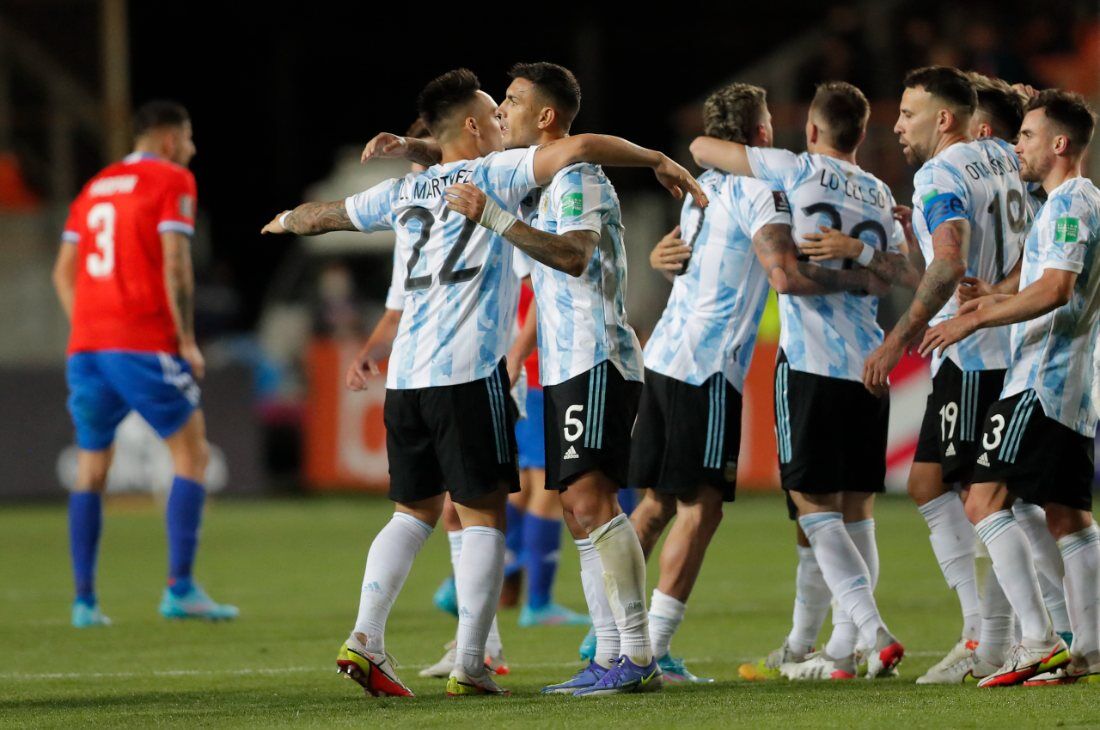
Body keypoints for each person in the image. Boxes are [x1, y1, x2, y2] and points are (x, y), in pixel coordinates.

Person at [264, 67, 704, 698]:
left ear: (544, 117)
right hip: (488, 369)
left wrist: (283, 218)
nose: (502, 112)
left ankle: (624, 652)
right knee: (517, 514)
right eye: (494, 107)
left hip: (539, 362)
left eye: (513, 102)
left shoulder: (472, 185)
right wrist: (657, 157)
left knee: (516, 509)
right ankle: (510, 656)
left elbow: (323, 214)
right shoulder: (503, 173)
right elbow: (492, 155)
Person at [633, 81, 885, 684]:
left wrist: (654, 260)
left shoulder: (697, 190)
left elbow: (687, 259)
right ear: (763, 132)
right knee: (704, 508)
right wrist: (861, 280)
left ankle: (607, 634)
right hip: (707, 367)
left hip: (662, 354)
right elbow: (784, 277)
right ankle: (651, 649)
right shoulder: (762, 191)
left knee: (652, 505)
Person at [690, 81, 911, 680]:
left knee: (813, 505)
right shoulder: (882, 192)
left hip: (812, 359)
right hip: (869, 363)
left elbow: (704, 148)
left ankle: (873, 632)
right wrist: (860, 257)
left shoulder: (794, 167)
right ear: (863, 134)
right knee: (857, 507)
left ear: (812, 131)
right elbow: (900, 274)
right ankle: (842, 654)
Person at [920, 89, 1098, 686]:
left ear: (1058, 144)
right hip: (1069, 382)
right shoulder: (1064, 203)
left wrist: (970, 319)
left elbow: (1055, 290)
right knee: (1068, 514)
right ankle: (1088, 648)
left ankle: (1039, 639)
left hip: (1040, 378)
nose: (1013, 145)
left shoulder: (1071, 203)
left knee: (983, 498)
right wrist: (990, 293)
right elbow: (1031, 277)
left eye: (1024, 136)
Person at [865, 66, 1034, 681]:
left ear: (943, 119)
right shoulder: (1002, 155)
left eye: (908, 113)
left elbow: (950, 265)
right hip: (1007, 343)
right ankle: (993, 634)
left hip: (976, 353)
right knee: (937, 486)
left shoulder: (941, 171)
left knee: (977, 498)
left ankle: (993, 639)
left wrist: (897, 339)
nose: (897, 125)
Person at [52, 100, 238, 628]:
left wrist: (89, 323)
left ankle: (84, 601)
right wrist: (186, 339)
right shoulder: (172, 179)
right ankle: (180, 588)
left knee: (91, 469)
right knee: (192, 456)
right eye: (190, 137)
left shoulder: (93, 187)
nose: (193, 149)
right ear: (169, 141)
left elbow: (62, 273)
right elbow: (176, 263)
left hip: (88, 346)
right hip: (142, 342)